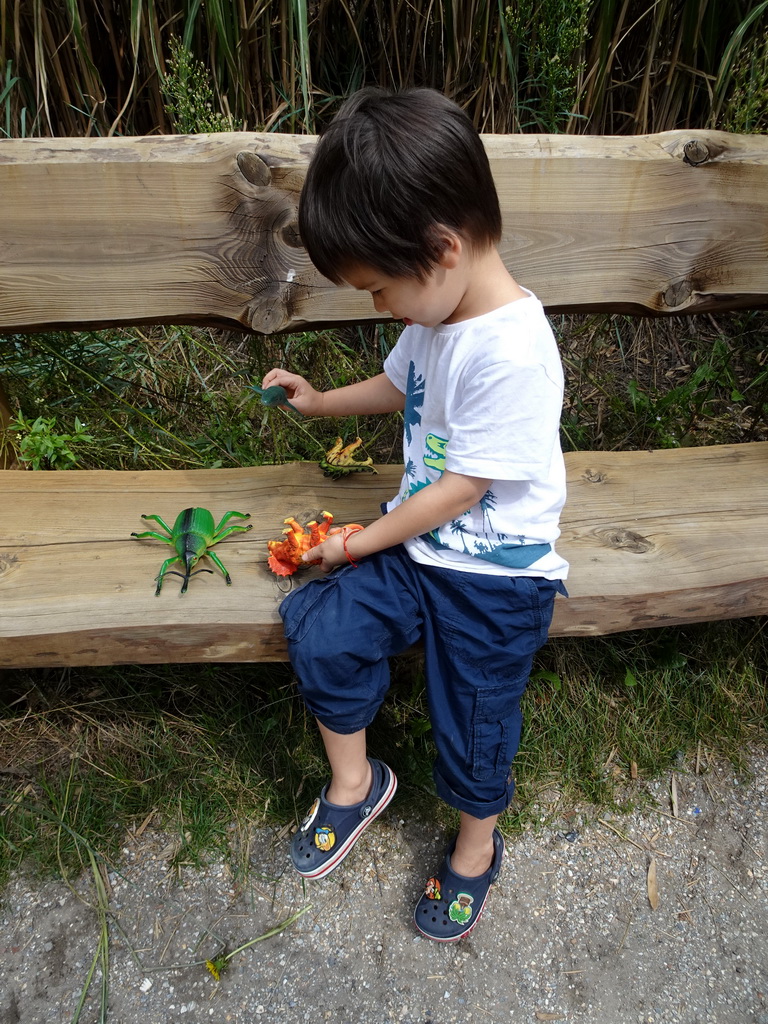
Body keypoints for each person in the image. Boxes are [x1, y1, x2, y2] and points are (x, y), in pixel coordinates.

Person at [262, 86, 568, 942]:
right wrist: (322, 402)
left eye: (378, 289)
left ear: (440, 250)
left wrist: (355, 542)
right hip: (419, 545)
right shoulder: (438, 314)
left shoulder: (513, 350)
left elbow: (462, 490)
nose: (378, 305)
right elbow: (402, 384)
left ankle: (476, 845)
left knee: (475, 717)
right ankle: (358, 784)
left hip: (492, 576)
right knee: (320, 629)